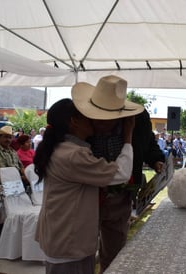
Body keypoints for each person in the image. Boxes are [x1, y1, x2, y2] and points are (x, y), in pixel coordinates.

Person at [71, 75, 165, 273]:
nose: (102, 123)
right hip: (88, 197)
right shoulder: (79, 116)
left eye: (109, 119)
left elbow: (148, 144)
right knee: (82, 253)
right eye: (99, 118)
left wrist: (157, 160)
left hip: (121, 198)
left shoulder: (138, 120)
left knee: (115, 254)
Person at [34, 98, 135, 274]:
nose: (94, 120)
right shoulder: (73, 155)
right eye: (88, 116)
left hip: (61, 235)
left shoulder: (59, 148)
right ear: (74, 122)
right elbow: (121, 173)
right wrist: (127, 137)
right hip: (69, 240)